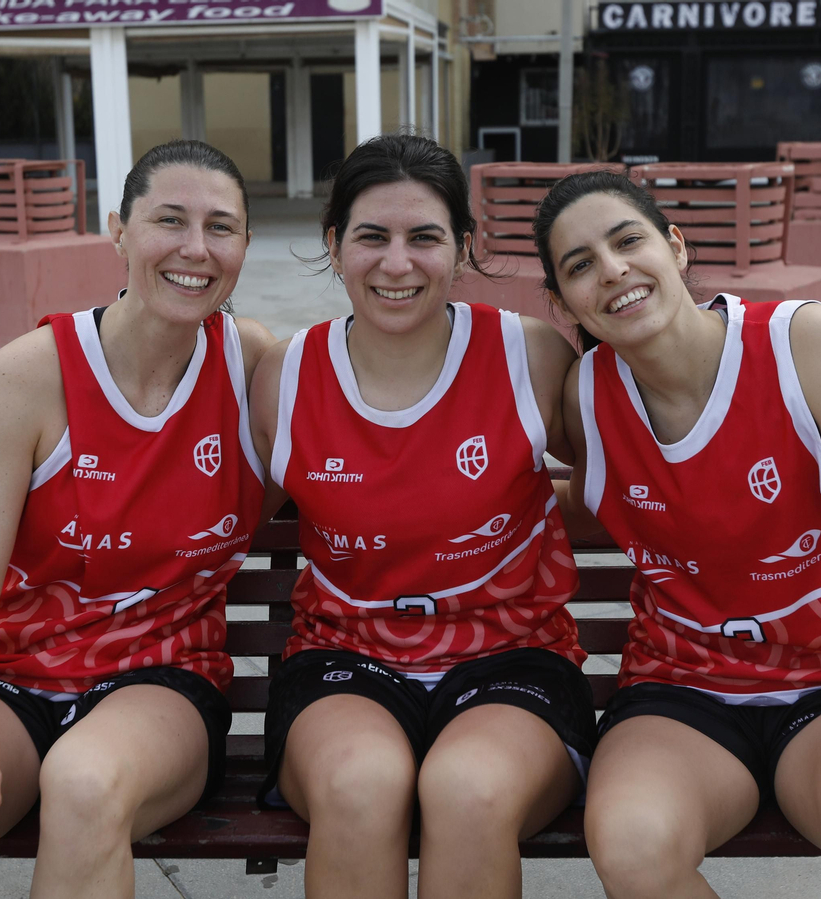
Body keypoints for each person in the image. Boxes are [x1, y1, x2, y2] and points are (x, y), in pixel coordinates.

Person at [0, 141, 274, 899]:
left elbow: (380, 441)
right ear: (117, 230)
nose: (195, 248)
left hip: (162, 681)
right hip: (14, 677)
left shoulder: (254, 367)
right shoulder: (33, 370)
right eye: (169, 220)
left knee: (83, 783)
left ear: (246, 245)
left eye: (221, 227)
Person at [533, 171, 821, 898]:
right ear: (565, 301)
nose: (612, 270)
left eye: (627, 240)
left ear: (676, 246)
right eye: (580, 265)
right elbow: (592, 500)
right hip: (679, 689)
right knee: (632, 845)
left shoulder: (803, 345)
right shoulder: (587, 396)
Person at [247, 133, 592, 899]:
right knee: (361, 786)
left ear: (463, 249)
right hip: (345, 659)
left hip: (515, 658)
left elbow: (621, 488)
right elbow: (217, 524)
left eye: (425, 237)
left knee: (466, 789)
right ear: (334, 245)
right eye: (371, 236)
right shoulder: (286, 376)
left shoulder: (529, 357)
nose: (397, 263)